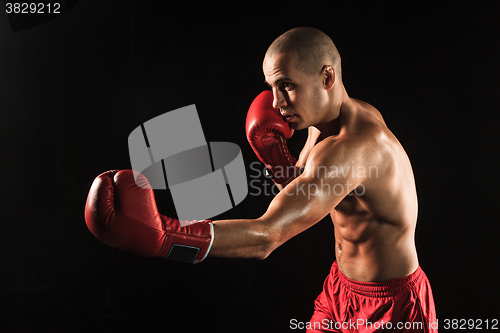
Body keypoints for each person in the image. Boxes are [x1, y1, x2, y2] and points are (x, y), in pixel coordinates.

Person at [85, 27, 436, 332]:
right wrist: (275, 158)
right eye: (271, 87)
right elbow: (304, 188)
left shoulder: (352, 149)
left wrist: (166, 237)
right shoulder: (333, 120)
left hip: (394, 309)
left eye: (287, 86)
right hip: (340, 291)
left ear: (327, 77)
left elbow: (266, 237)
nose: (277, 102)